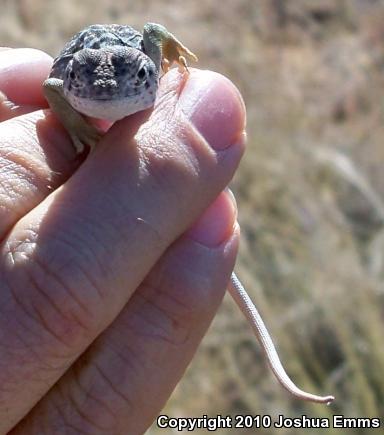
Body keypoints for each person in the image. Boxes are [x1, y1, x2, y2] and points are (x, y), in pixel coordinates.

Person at [0, 47, 246, 434]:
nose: (105, 88)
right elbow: (52, 86)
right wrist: (78, 127)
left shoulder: (140, 69)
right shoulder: (71, 80)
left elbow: (151, 35)